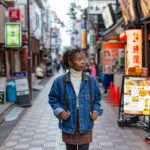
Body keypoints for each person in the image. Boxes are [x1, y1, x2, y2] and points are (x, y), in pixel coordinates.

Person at [48, 48, 103, 150]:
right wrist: (60, 111)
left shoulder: (92, 81)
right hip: (69, 122)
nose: (83, 61)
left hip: (86, 122)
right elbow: (53, 99)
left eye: (84, 58)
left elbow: (97, 99)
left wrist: (96, 111)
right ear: (70, 62)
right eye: (79, 59)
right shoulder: (59, 81)